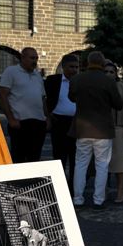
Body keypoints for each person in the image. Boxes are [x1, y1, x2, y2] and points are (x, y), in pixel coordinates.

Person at [68, 51, 123, 209]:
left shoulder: (77, 79)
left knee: (80, 164)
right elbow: (118, 104)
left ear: (88, 62)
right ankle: (98, 200)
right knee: (102, 165)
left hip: (82, 129)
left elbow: (71, 97)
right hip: (102, 130)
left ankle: (78, 199)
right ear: (102, 63)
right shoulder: (108, 81)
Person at [0, 47, 51, 163]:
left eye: (36, 58)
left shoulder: (37, 75)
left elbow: (42, 98)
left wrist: (47, 118)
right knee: (19, 159)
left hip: (38, 123)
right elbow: (3, 95)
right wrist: (11, 119)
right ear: (23, 58)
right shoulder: (11, 71)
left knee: (35, 158)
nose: (35, 61)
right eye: (32, 58)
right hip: (20, 123)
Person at [45, 54, 80, 188]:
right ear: (64, 67)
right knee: (59, 156)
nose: (74, 70)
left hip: (76, 123)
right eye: (71, 67)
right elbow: (44, 98)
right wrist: (48, 115)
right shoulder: (53, 81)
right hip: (58, 121)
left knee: (75, 156)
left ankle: (73, 186)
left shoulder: (81, 82)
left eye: (76, 67)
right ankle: (59, 186)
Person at [103, 61, 123, 203]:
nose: (108, 74)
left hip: (119, 127)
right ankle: (104, 189)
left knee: (119, 162)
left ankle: (120, 190)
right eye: (106, 71)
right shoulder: (100, 87)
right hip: (102, 128)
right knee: (103, 162)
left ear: (116, 74)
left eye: (111, 71)